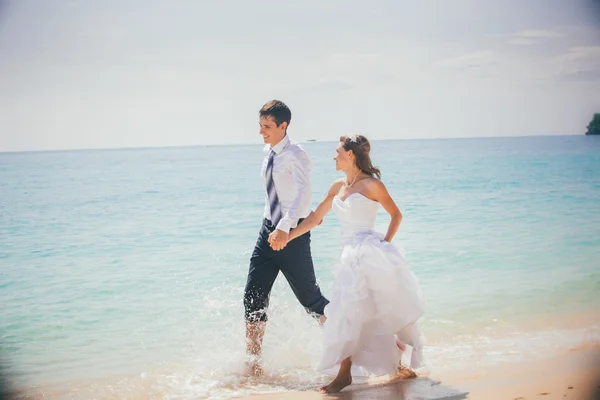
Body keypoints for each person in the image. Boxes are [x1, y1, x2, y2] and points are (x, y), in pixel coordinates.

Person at [279, 134, 426, 393]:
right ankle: (395, 364)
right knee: (366, 311)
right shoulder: (337, 186)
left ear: (350, 155)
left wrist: (385, 245)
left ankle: (344, 374)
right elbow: (315, 218)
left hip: (369, 252)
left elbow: (396, 215)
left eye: (337, 152)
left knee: (352, 310)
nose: (333, 156)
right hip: (346, 254)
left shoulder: (372, 185)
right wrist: (289, 236)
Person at [243, 100, 329, 376]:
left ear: (284, 125)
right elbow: (275, 195)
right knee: (253, 296)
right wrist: (272, 226)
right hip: (267, 231)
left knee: (311, 302)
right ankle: (253, 363)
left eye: (267, 126)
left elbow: (304, 197)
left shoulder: (297, 155)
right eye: (260, 125)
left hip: (292, 233)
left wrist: (285, 228)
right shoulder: (268, 152)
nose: (261, 131)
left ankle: (352, 347)